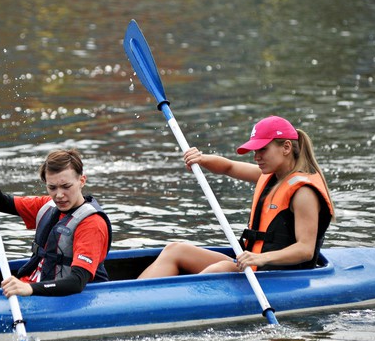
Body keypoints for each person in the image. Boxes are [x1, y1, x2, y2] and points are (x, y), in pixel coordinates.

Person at [138, 116, 334, 278]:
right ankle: (136, 297)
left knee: (221, 269)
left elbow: (305, 250)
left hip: (281, 275)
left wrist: (260, 259)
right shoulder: (269, 176)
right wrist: (202, 159)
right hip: (253, 264)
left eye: (262, 149)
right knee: (175, 250)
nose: (256, 156)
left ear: (286, 147)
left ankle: (165, 306)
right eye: (255, 150)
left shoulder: (303, 193)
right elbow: (229, 167)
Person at [0, 148, 112, 297]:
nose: (59, 195)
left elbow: (77, 282)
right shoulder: (48, 205)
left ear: (81, 181)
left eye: (66, 187)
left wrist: (30, 289)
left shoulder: (92, 224)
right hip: (33, 285)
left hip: (61, 295)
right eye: (52, 187)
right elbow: (1, 203)